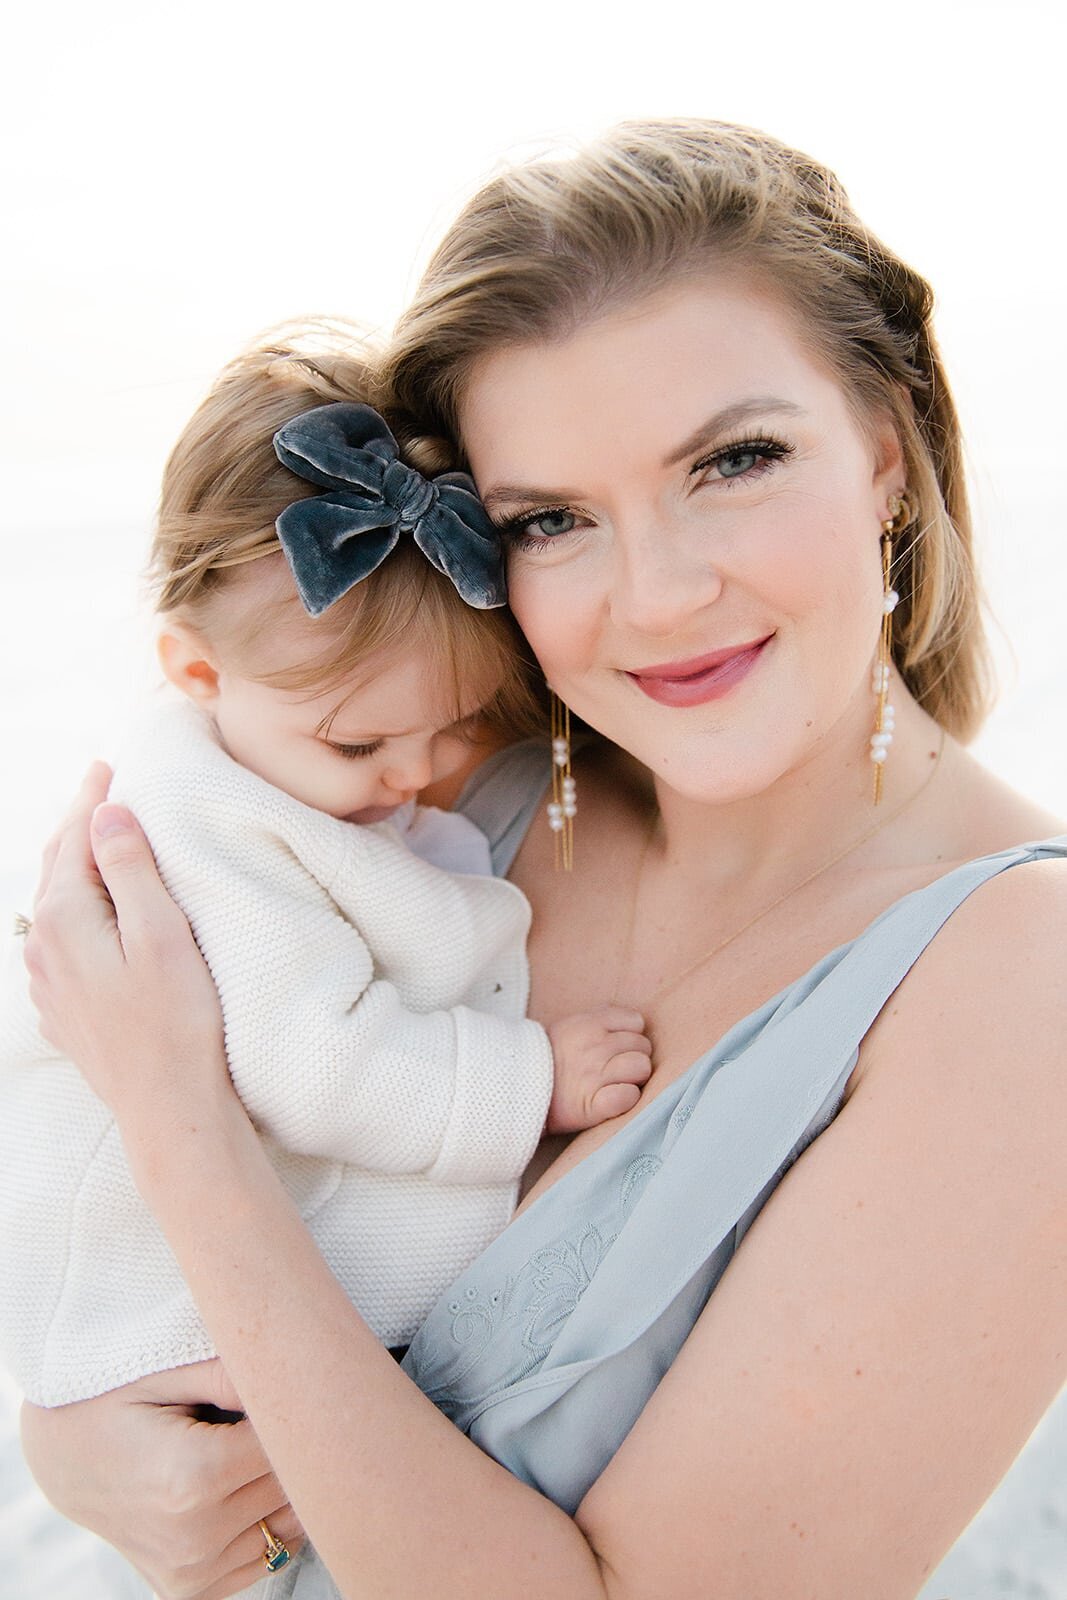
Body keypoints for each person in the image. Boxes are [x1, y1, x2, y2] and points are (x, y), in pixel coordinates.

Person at [18, 120, 1067, 1600]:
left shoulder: (1020, 982)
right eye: (550, 520)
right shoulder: (441, 798)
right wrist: (73, 1435)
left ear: (885, 454)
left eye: (735, 460)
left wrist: (180, 1120)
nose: (656, 596)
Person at [2, 325, 651, 1588]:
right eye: (362, 748)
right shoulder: (193, 827)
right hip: (157, 1287)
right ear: (194, 669)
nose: (412, 776)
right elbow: (313, 1060)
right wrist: (525, 1081)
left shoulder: (278, 741)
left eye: (452, 726)